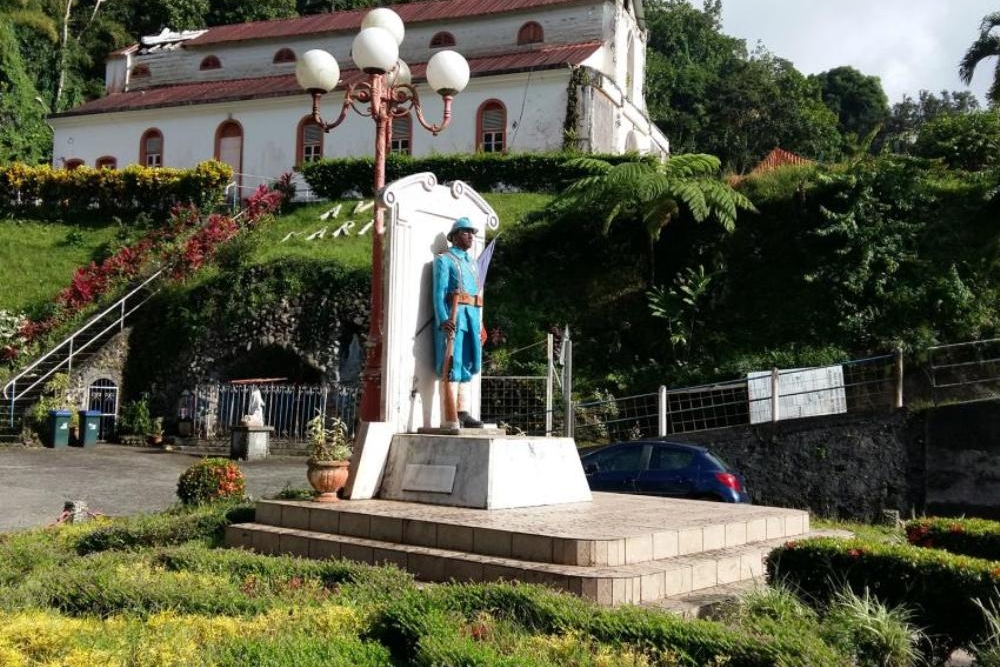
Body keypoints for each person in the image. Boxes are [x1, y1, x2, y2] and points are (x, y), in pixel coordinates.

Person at [433, 217, 486, 429]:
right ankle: (450, 414)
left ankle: (463, 410)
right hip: (454, 316)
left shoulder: (472, 263)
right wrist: (442, 319)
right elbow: (438, 293)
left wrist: (481, 323)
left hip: (471, 316)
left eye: (471, 233)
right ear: (454, 236)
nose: (470, 236)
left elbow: (475, 295)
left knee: (468, 361)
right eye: (465, 232)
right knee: (452, 363)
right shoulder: (444, 259)